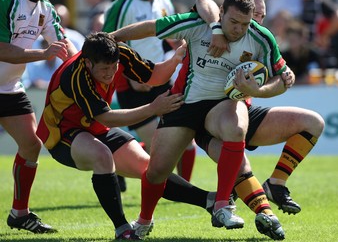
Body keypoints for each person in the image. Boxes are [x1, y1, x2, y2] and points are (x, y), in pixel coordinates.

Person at [111, 0, 288, 240]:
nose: (239, 29)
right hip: (184, 104)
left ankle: (222, 205)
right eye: (233, 22)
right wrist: (112, 37)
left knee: (236, 129)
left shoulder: (261, 38)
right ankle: (144, 220)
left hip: (222, 105)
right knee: (156, 171)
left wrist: (258, 89)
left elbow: (283, 78)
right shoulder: (199, 25)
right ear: (221, 13)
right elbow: (153, 27)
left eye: (245, 24)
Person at [35, 32, 219, 240]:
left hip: (94, 127)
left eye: (113, 67)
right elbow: (107, 118)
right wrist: (153, 108)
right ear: (87, 63)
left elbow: (154, 75)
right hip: (61, 134)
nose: (111, 73)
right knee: (102, 156)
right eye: (104, 68)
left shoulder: (119, 53)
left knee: (150, 170)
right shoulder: (76, 74)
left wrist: (176, 59)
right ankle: (123, 229)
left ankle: (209, 200)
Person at [194, 0, 323, 219]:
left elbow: (282, 74)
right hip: (206, 122)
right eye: (254, 15)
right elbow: (204, 0)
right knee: (240, 164)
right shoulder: (212, 32)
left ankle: (276, 184)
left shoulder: (259, 40)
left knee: (313, 122)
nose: (258, 21)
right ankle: (265, 215)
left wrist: (281, 77)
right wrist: (215, 28)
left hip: (243, 113)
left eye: (262, 16)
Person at [0, 0, 78, 234]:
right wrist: (43, 54)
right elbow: (1, 48)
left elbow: (64, 46)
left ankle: (19, 214)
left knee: (31, 145)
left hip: (9, 88)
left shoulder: (45, 7)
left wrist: (85, 69)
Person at [103, 0, 197, 183]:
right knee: (161, 147)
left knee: (183, 141)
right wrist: (130, 75)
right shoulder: (121, 5)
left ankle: (185, 189)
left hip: (160, 80)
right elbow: (105, 42)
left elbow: (171, 38)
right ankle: (118, 160)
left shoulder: (164, 2)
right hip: (132, 86)